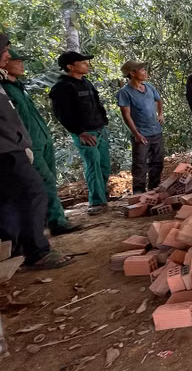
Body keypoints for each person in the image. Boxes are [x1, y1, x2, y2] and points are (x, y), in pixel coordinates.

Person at [0, 34, 74, 269]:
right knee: (35, 191)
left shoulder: (14, 87)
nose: (10, 56)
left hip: (23, 145)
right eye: (6, 51)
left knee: (17, 198)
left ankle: (15, 250)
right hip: (9, 149)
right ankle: (36, 251)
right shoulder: (5, 88)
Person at [50, 50, 111, 215]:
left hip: (99, 129)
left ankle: (103, 196)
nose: (87, 65)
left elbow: (97, 105)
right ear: (70, 67)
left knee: (104, 165)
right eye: (82, 62)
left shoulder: (86, 83)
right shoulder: (62, 87)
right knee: (93, 165)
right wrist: (80, 133)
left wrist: (103, 123)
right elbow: (62, 114)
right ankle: (96, 202)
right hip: (85, 134)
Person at [117, 61, 165, 194]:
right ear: (132, 73)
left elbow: (159, 100)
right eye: (142, 70)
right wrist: (136, 134)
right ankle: (138, 192)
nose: (145, 72)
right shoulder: (125, 93)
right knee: (140, 164)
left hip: (156, 131)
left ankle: (154, 189)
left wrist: (160, 114)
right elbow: (126, 116)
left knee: (158, 161)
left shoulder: (149, 87)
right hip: (141, 134)